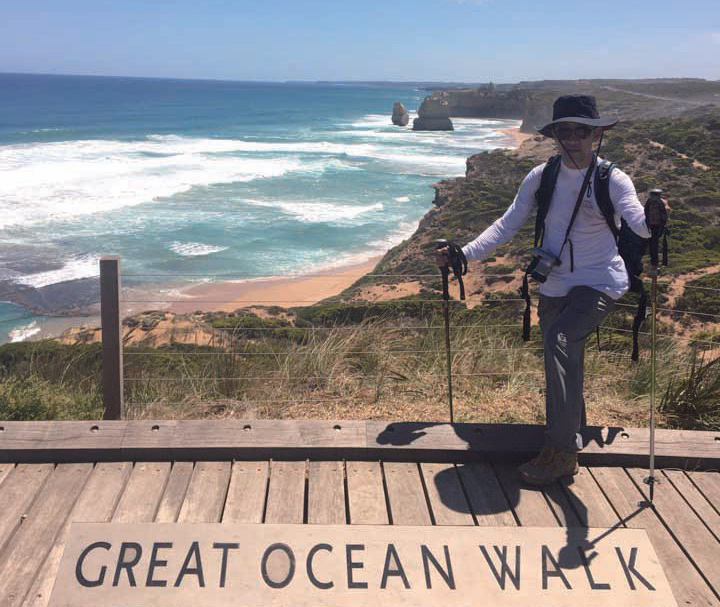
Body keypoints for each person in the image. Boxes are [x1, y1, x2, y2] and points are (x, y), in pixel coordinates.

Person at [437, 94, 668, 485]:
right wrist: (464, 254)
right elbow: (507, 224)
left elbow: (637, 224)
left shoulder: (612, 178)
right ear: (555, 135)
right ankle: (571, 431)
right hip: (556, 283)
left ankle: (561, 452)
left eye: (582, 131)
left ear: (596, 135)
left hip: (600, 281)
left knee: (560, 342)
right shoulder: (542, 176)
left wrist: (653, 219)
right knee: (561, 358)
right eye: (566, 131)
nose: (574, 138)